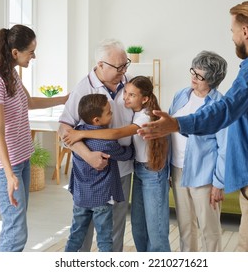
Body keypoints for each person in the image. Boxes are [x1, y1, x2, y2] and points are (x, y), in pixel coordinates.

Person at [138, 1, 248, 252]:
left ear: (245, 32)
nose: (232, 36)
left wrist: (177, 124)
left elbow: (224, 111)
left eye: (233, 31)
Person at [0, 24, 69, 252]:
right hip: (4, 166)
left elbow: (30, 102)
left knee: (15, 223)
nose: (34, 56)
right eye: (31, 52)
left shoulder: (11, 74)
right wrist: (8, 175)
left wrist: (64, 99)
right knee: (16, 231)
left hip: (21, 159)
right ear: (15, 52)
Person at [64, 76, 170, 252]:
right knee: (137, 225)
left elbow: (117, 133)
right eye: (126, 93)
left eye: (131, 95)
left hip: (151, 171)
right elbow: (125, 151)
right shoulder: (133, 112)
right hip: (138, 169)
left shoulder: (145, 115)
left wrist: (81, 134)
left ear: (144, 99)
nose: (125, 98)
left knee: (155, 227)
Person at [58, 39, 134, 252]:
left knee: (115, 228)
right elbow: (64, 129)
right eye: (117, 67)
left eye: (125, 65)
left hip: (121, 172)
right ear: (100, 65)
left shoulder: (129, 84)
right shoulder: (83, 88)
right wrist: (89, 156)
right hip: (90, 175)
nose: (123, 70)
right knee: (84, 228)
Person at [169, 51, 227, 252]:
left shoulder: (220, 105)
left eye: (199, 76)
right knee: (185, 227)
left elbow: (225, 149)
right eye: (193, 71)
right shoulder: (181, 95)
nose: (193, 77)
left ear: (212, 80)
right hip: (178, 170)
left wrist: (218, 184)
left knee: (209, 231)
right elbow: (170, 128)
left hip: (204, 176)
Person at [65, 94, 134, 252]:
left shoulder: (77, 134)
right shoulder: (106, 143)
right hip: (101, 199)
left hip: (81, 197)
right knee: (104, 239)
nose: (112, 114)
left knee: (75, 235)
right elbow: (126, 154)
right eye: (109, 112)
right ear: (97, 120)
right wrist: (133, 147)